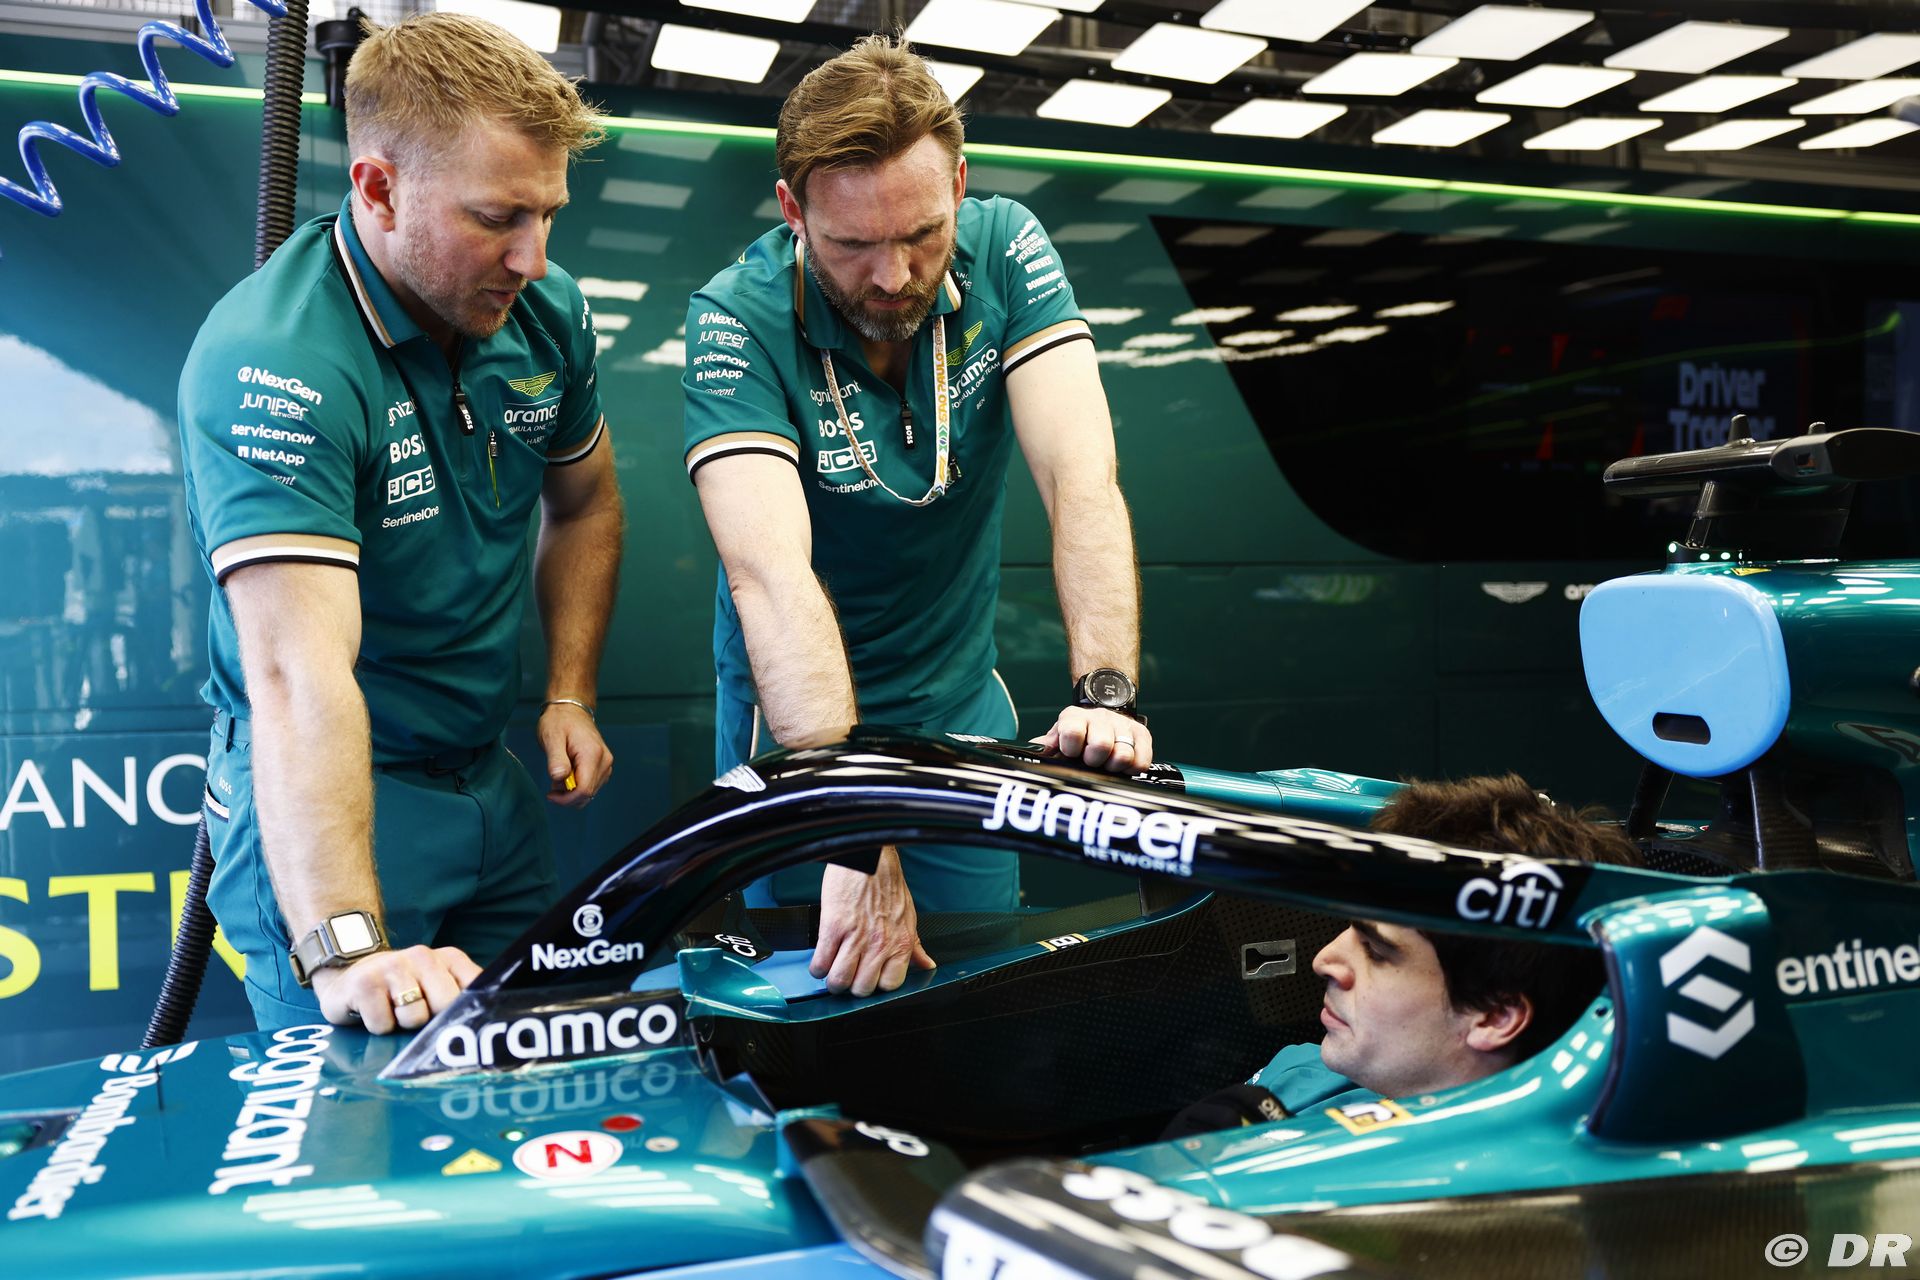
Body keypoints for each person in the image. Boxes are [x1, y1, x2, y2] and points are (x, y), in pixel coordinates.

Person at [177, 13, 623, 1034]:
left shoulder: (544, 313)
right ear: (378, 189)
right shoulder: (277, 360)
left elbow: (587, 501)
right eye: (498, 217)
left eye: (548, 213)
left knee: (536, 1077)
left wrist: (571, 688)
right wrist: (346, 946)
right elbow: (296, 674)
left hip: (490, 790)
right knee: (364, 1107)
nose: (533, 256)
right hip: (337, 802)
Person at [681, 35, 1149, 998]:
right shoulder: (735, 317)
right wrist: (851, 829)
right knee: (820, 1002)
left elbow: (1081, 480)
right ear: (793, 211)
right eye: (852, 245)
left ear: (959, 188)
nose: (894, 276)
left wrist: (1105, 694)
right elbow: (770, 575)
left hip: (957, 716)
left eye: (922, 235)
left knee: (981, 994)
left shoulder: (1006, 247)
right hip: (802, 738)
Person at [1174, 776, 1641, 1133]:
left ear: (1494, 1016)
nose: (1323, 960)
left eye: (1377, 951)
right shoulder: (1301, 1075)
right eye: (1348, 927)